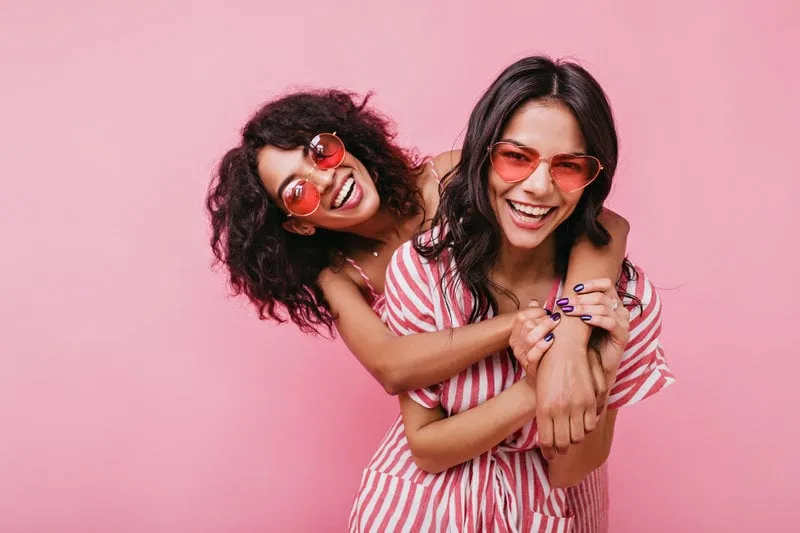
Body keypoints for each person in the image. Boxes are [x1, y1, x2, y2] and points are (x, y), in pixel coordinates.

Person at [348, 55, 674, 532]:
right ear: (482, 155)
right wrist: (533, 389)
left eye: (568, 166)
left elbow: (570, 470)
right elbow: (426, 449)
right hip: (423, 511)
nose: (539, 187)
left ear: (592, 179)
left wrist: (596, 370)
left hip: (553, 512)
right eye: (516, 157)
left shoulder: (620, 300)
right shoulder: (426, 271)